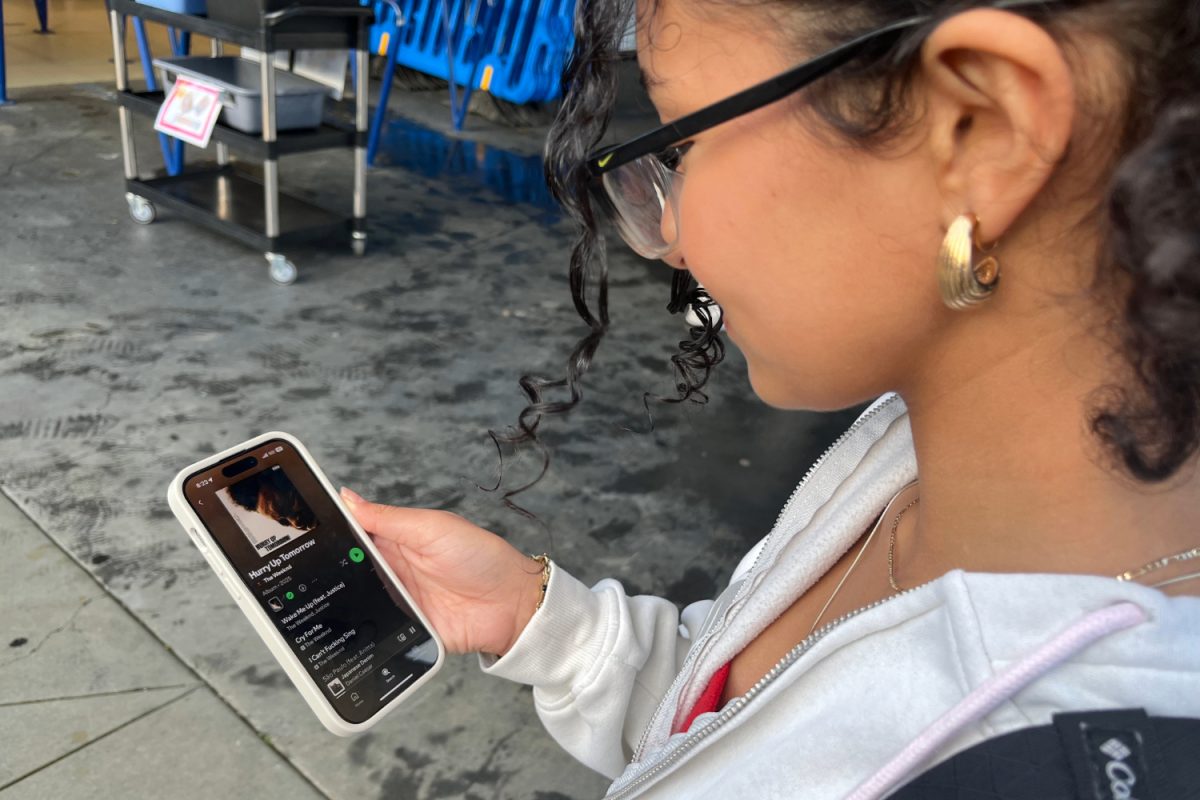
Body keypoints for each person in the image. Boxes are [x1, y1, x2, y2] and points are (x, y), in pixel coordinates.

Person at [342, 0, 1200, 794]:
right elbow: (755, 730)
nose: (663, 245)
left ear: (980, 135)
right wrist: (543, 624)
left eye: (680, 139)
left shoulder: (1059, 765)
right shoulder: (911, 448)